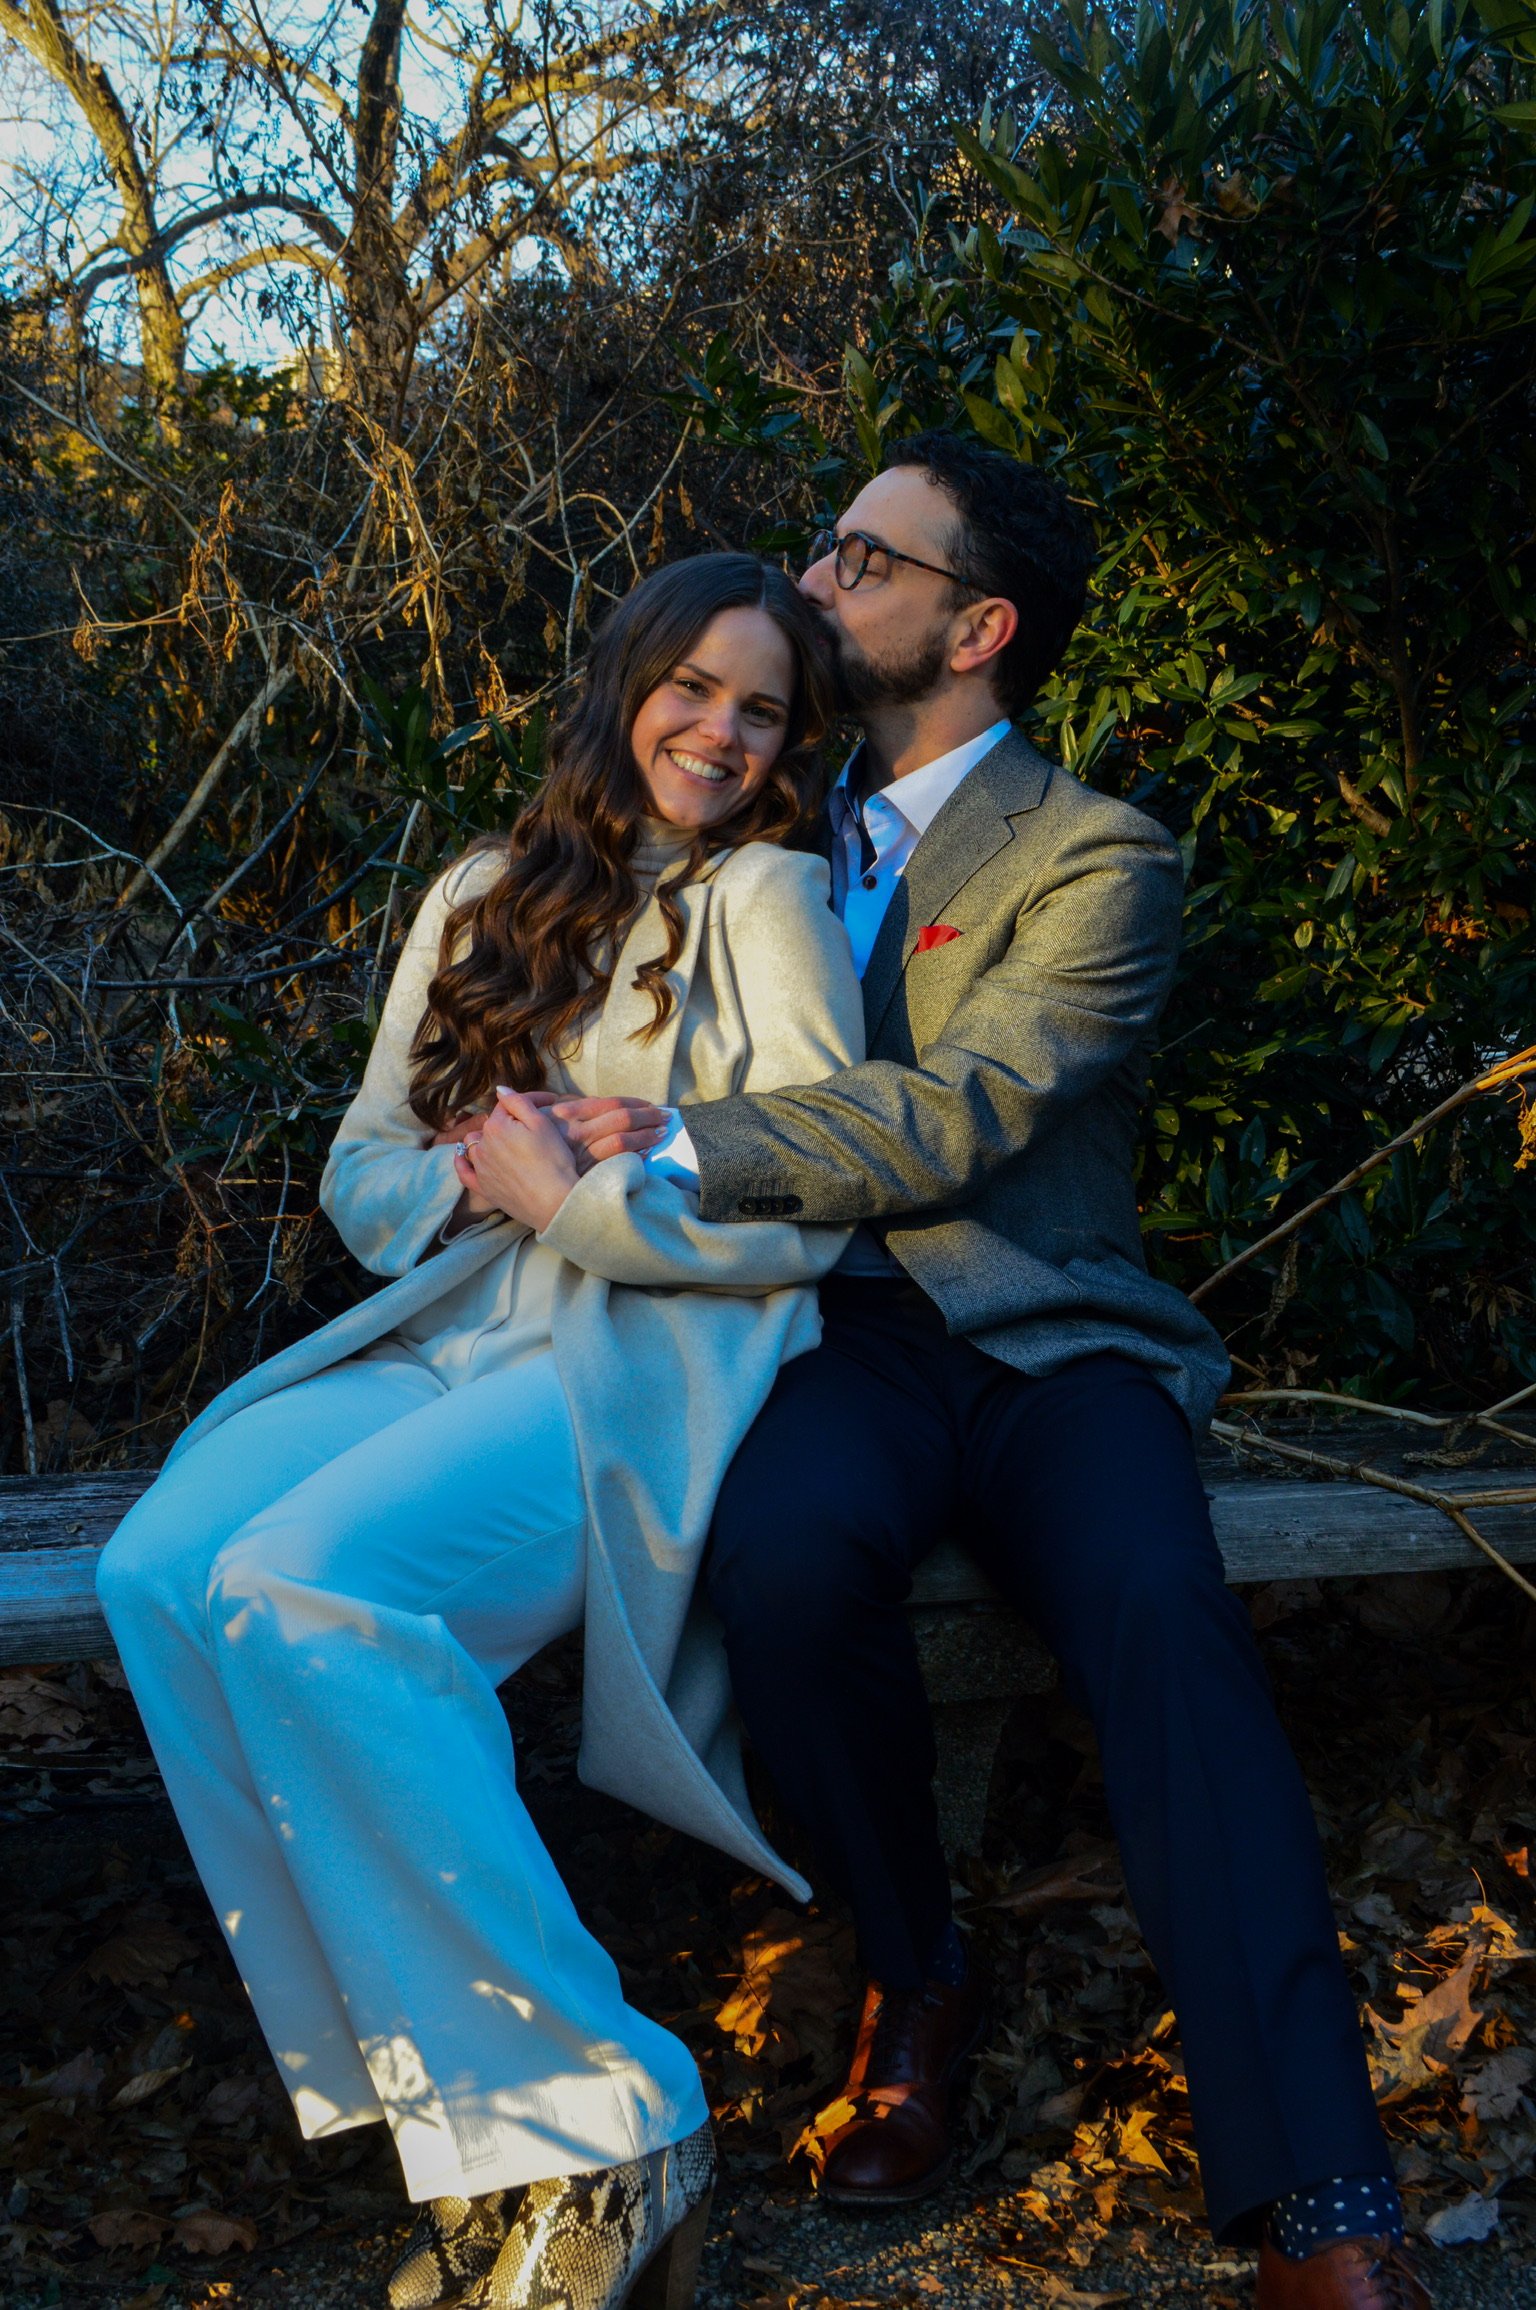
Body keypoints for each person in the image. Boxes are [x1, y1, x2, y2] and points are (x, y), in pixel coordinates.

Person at [550, 439, 1427, 2310]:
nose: (818, 577)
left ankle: (1320, 2193)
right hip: (829, 1333)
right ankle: (917, 1963)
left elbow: (964, 1108)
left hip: (1049, 1341)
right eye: (829, 546)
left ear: (978, 626)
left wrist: (682, 1137)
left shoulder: (1098, 851)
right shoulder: (754, 823)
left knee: (1164, 1613)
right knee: (783, 1564)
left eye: (864, 558)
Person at [95, 553, 866, 2310]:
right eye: (693, 687)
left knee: (309, 1587)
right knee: (160, 1568)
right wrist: (476, 1171)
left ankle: (606, 2117)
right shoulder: (476, 893)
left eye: (762, 709)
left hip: (633, 1358)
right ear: (623, 686)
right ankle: (459, 2126)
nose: (723, 732)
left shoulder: (768, 898)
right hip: (441, 1332)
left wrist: (599, 1182)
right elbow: (364, 1168)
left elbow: (821, 1194)